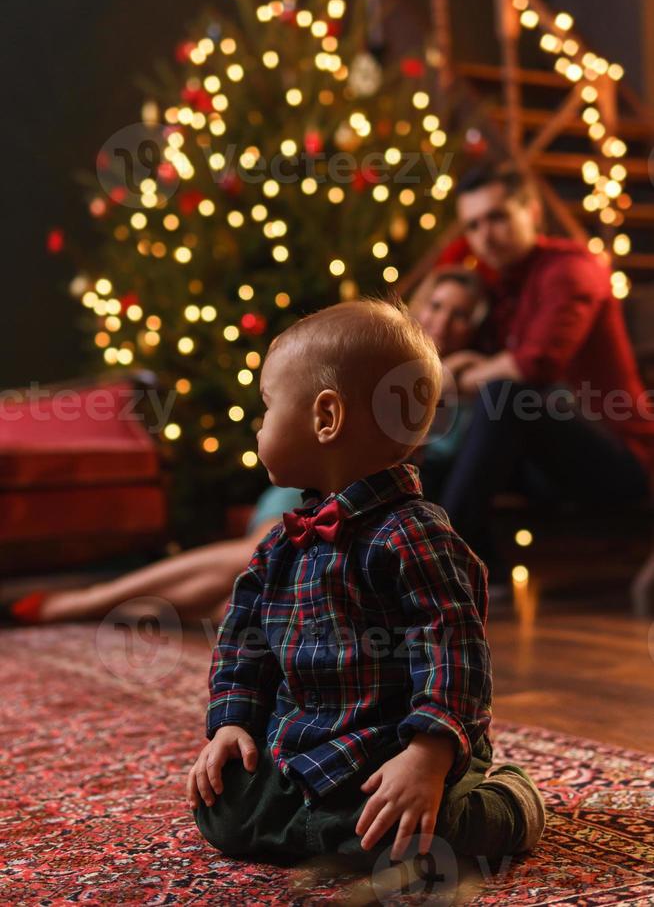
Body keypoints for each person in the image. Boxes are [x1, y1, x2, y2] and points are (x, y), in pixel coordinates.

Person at [187, 295, 545, 871]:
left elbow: (453, 647)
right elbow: (243, 642)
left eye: (267, 408)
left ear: (325, 418)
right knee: (222, 808)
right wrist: (231, 723)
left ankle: (507, 795)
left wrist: (428, 757)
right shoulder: (280, 545)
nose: (259, 426)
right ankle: (322, 823)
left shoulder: (414, 533)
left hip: (393, 747)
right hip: (308, 746)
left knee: (421, 838)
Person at [2, 270, 490, 627]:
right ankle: (95, 601)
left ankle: (120, 605)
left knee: (252, 591)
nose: (446, 321)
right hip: (317, 488)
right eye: (438, 305)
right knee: (259, 555)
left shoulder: (460, 401)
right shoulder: (358, 357)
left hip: (371, 506)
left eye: (461, 315)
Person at [421, 161, 654, 582]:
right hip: (541, 467)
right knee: (433, 460)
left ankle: (438, 566)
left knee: (506, 396)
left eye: (497, 217)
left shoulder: (570, 269)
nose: (484, 236)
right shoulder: (502, 287)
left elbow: (537, 363)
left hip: (622, 461)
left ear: (531, 212)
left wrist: (452, 377)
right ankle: (475, 575)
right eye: (472, 225)